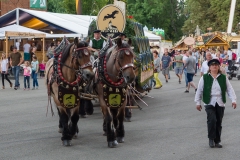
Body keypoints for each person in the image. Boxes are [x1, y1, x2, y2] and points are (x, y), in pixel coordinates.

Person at [195, 59, 237, 148]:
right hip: (209, 102)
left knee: (219, 122)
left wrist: (233, 100)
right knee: (212, 120)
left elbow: (229, 89)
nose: (214, 66)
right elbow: (199, 90)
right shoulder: (204, 77)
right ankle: (211, 138)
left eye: (216, 65)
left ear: (219, 67)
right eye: (212, 65)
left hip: (220, 102)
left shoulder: (223, 77)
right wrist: (198, 102)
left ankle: (217, 140)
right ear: (209, 68)